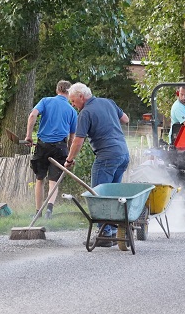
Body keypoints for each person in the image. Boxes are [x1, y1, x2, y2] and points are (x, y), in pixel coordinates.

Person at [64, 82, 129, 247]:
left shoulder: (85, 113)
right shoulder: (108, 102)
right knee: (113, 195)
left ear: (81, 96)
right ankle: (114, 231)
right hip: (123, 154)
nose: (72, 105)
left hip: (106, 156)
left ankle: (105, 235)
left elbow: (78, 140)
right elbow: (126, 119)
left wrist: (69, 159)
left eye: (73, 101)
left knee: (98, 195)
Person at [25, 80, 77, 220]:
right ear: (69, 92)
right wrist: (69, 155)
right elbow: (72, 138)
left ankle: (38, 212)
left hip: (42, 146)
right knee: (53, 181)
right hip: (60, 148)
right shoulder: (72, 110)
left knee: (40, 179)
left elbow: (32, 115)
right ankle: (49, 210)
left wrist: (29, 136)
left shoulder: (45, 101)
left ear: (57, 90)